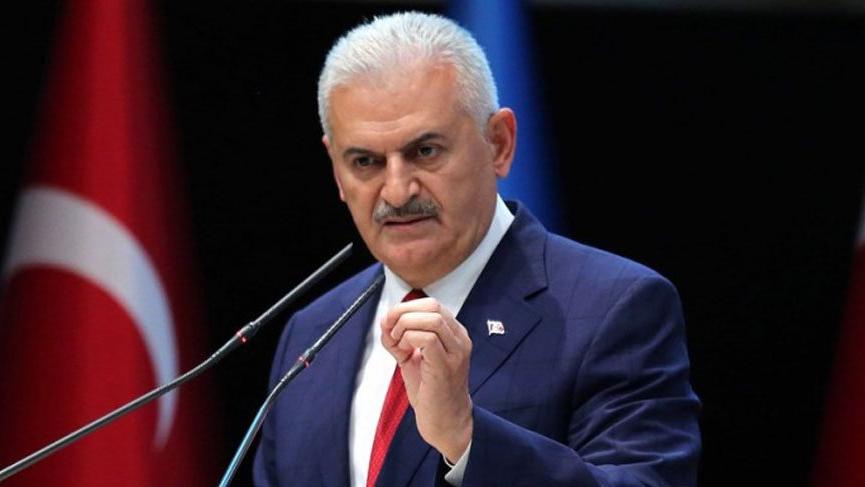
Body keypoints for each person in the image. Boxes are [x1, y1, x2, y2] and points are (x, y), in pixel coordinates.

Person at [253, 11, 700, 487]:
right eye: (366, 161)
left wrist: (466, 438)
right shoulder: (311, 335)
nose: (398, 191)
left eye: (425, 151)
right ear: (336, 171)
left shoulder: (614, 308)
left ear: (499, 144)